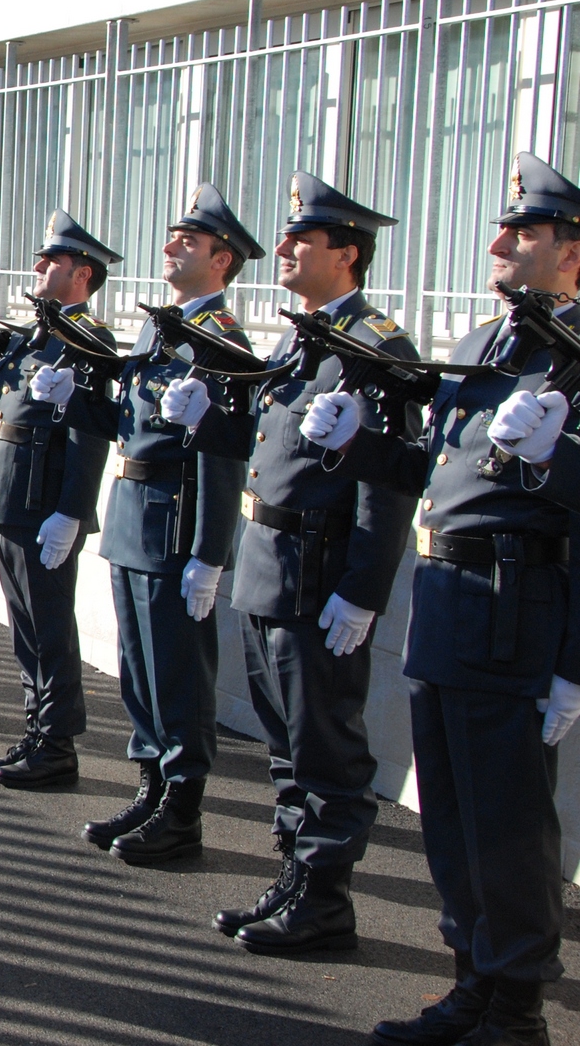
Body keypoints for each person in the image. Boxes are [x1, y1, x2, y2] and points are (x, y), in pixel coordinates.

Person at [300, 152, 580, 1046]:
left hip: (517, 605)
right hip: (449, 599)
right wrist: (358, 448)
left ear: (573, 253)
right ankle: (472, 981)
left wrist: (574, 666)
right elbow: (437, 472)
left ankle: (518, 1007)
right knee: (451, 815)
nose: (498, 243)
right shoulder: (486, 344)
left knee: (507, 821)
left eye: (523, 233)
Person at [160, 172, 417, 954]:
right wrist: (206, 423)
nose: (285, 249)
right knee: (284, 746)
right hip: (269, 562)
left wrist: (364, 591)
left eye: (303, 239)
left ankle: (326, 902)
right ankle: (294, 878)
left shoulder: (378, 349)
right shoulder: (299, 338)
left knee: (326, 748)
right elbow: (271, 448)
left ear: (346, 254)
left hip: (319, 574)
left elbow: (387, 480)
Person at [34, 184, 257, 864]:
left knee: (179, 676)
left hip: (175, 528)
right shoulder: (161, 330)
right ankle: (151, 785)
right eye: (173, 236)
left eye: (187, 241)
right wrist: (74, 401)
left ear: (223, 261)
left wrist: (210, 553)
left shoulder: (221, 341)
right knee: (140, 670)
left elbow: (223, 457)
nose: (169, 247)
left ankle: (182, 812)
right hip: (135, 522)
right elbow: (133, 426)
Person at [0, 209, 120, 789]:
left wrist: (73, 509)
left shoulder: (91, 340)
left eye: (52, 260)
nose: (37, 266)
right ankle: (38, 729)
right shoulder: (35, 334)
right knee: (25, 626)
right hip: (10, 498)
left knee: (51, 627)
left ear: (82, 275)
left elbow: (90, 436)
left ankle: (58, 744)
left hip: (46, 504)